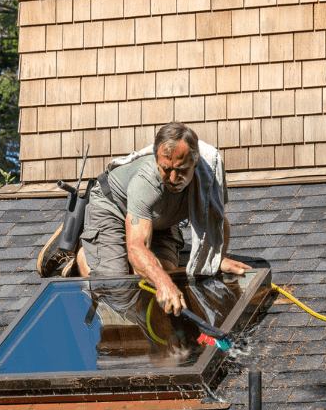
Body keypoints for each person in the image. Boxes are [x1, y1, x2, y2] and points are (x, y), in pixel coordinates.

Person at [37, 122, 251, 317]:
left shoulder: (209, 174)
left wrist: (216, 258)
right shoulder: (146, 180)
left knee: (167, 281)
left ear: (195, 163)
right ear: (157, 161)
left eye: (181, 170)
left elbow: (216, 220)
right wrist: (161, 281)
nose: (174, 179)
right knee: (118, 291)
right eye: (166, 170)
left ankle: (101, 254)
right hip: (113, 208)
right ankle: (84, 251)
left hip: (160, 219)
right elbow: (137, 245)